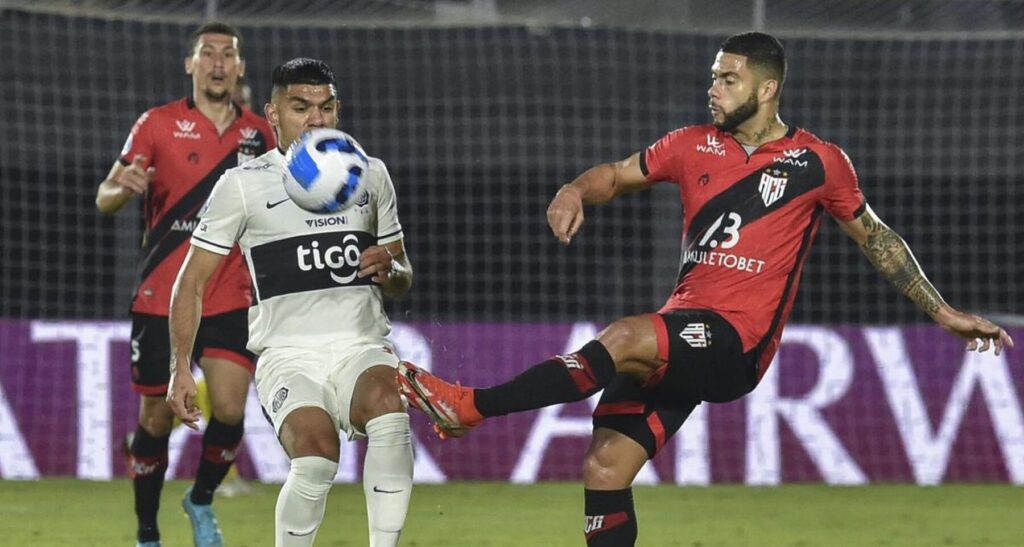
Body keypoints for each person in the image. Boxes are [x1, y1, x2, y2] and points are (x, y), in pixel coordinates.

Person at [396, 32, 1014, 546]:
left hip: (736, 345)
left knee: (626, 335)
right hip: (684, 328)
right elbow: (615, 174)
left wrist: (942, 312)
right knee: (606, 467)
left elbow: (877, 239)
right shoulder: (691, 145)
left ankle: (472, 407)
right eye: (714, 78)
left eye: (729, 79)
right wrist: (575, 189)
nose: (714, 89)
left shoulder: (820, 161)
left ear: (767, 88)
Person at [167, 57, 415, 547]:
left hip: (361, 345)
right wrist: (179, 366)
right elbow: (190, 282)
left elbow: (402, 276)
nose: (315, 119)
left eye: (326, 107)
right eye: (300, 107)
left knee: (391, 409)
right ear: (272, 113)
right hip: (288, 356)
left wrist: (392, 271)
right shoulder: (244, 185)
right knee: (317, 456)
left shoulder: (371, 175)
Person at [95, 22, 274, 547]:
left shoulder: (260, 134)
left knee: (232, 408)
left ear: (240, 67)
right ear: (190, 64)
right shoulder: (156, 123)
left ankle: (200, 500)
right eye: (208, 53)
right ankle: (147, 532)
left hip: (229, 290)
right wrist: (120, 188)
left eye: (228, 55)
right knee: (154, 417)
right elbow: (106, 194)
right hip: (162, 292)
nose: (218, 62)